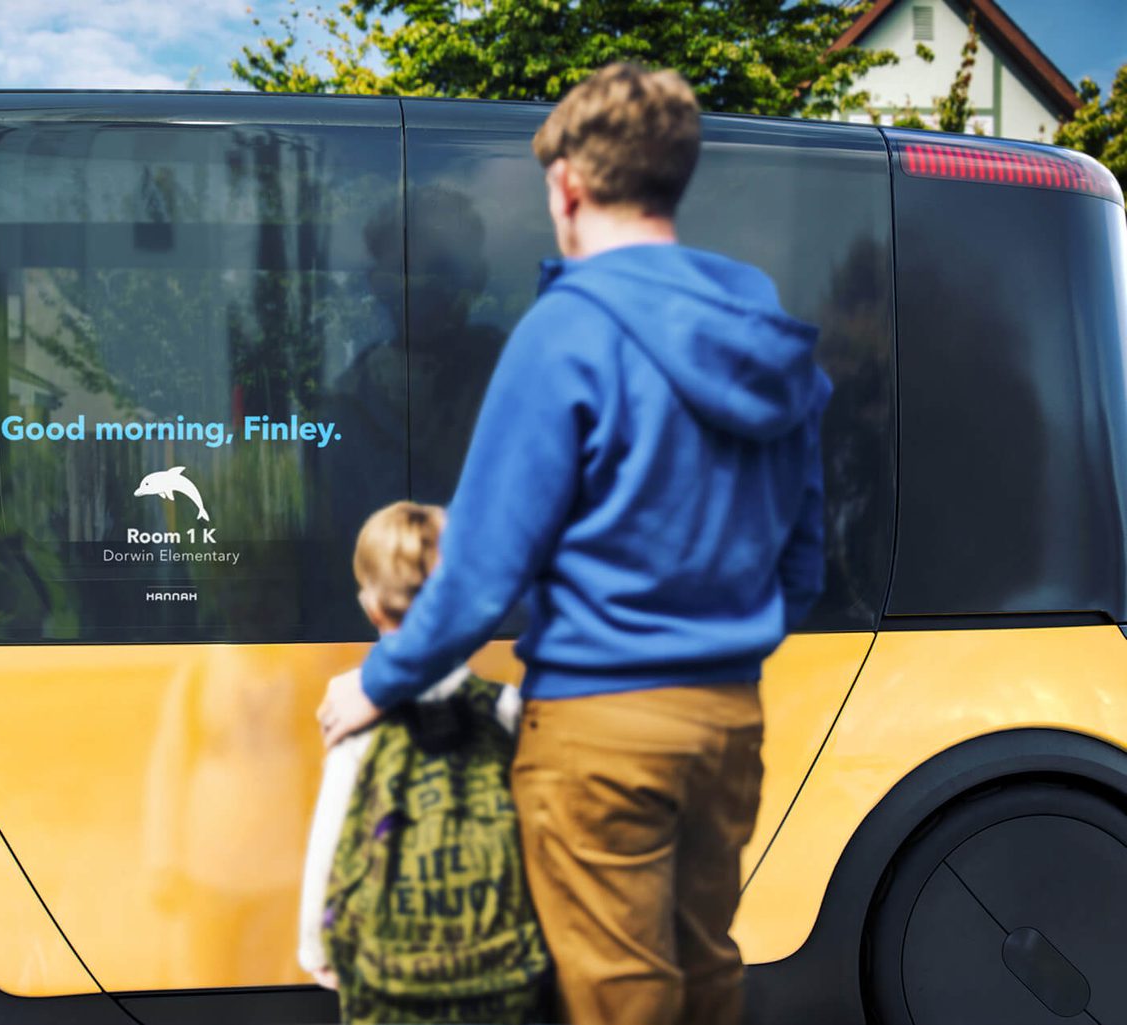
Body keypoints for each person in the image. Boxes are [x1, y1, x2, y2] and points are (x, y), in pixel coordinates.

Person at [316, 62, 831, 1025]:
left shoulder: (565, 335)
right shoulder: (765, 336)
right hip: (728, 718)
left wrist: (375, 683)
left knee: (619, 992)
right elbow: (804, 556)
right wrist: (721, 645)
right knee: (705, 966)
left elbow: (478, 575)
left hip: (600, 725)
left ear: (568, 186)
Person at [299, 501, 550, 1024]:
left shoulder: (356, 721)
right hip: (499, 967)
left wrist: (316, 949)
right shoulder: (503, 707)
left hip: (391, 977)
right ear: (461, 606)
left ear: (371, 607)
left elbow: (332, 840)